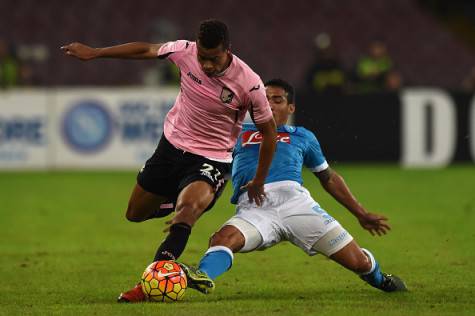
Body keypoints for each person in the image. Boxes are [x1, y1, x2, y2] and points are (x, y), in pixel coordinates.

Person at [61, 19, 277, 302]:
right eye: (203, 58)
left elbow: (269, 133)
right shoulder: (184, 51)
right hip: (170, 148)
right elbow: (146, 50)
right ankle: (175, 204)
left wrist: (259, 178)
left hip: (212, 158)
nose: (208, 65)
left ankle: (151, 284)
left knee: (187, 211)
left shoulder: (249, 83)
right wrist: (96, 52)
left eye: (214, 59)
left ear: (228, 50)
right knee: (135, 213)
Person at [180, 78, 407, 294]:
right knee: (221, 239)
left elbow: (328, 177)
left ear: (291, 108)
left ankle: (380, 279)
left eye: (277, 100)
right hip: (254, 208)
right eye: (264, 98)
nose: (269, 104)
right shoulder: (237, 134)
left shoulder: (302, 136)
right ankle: (202, 275)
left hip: (297, 205)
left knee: (359, 263)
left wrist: (361, 213)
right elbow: (210, 169)